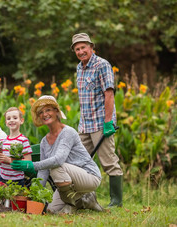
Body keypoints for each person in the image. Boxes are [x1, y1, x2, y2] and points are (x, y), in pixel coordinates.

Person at [11, 95, 103, 214]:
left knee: (56, 167)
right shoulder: (44, 142)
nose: (45, 114)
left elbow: (58, 160)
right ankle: (86, 200)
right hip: (68, 180)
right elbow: (43, 171)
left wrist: (31, 165)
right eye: (41, 112)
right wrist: (36, 194)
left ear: (56, 111)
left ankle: (71, 205)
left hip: (89, 176)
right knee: (51, 210)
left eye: (48, 110)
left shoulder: (68, 132)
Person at [71, 33, 123, 207]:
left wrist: (108, 122)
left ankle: (116, 201)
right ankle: (85, 199)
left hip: (101, 123)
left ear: (91, 47)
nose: (81, 51)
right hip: (84, 124)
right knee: (79, 162)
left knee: (108, 162)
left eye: (83, 47)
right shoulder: (79, 67)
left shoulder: (102, 65)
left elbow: (109, 94)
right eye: (77, 49)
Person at [0, 107, 32, 186]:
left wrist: (9, 160)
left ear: (21, 121)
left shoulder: (23, 140)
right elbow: (3, 163)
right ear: (6, 123)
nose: (11, 120)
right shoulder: (3, 141)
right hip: (3, 178)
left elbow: (28, 162)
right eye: (9, 118)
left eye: (15, 118)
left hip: (17, 180)